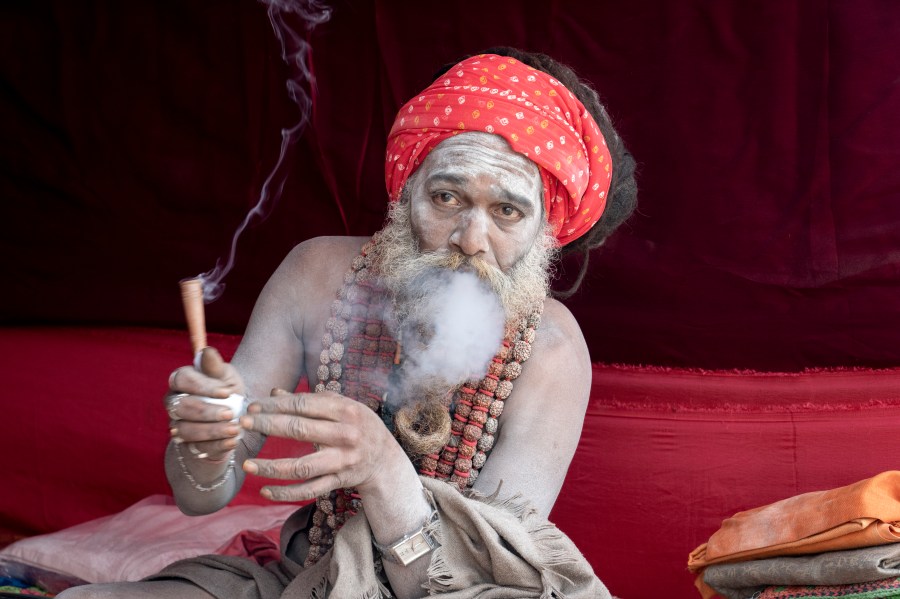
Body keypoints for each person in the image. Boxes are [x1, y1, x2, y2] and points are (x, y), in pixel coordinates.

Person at [59, 47, 637, 599]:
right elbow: (198, 498)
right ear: (405, 192)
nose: (470, 240)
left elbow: (486, 581)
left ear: (544, 231)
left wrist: (383, 468)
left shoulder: (552, 349)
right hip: (306, 580)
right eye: (445, 198)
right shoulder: (317, 274)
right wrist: (207, 441)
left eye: (507, 212)